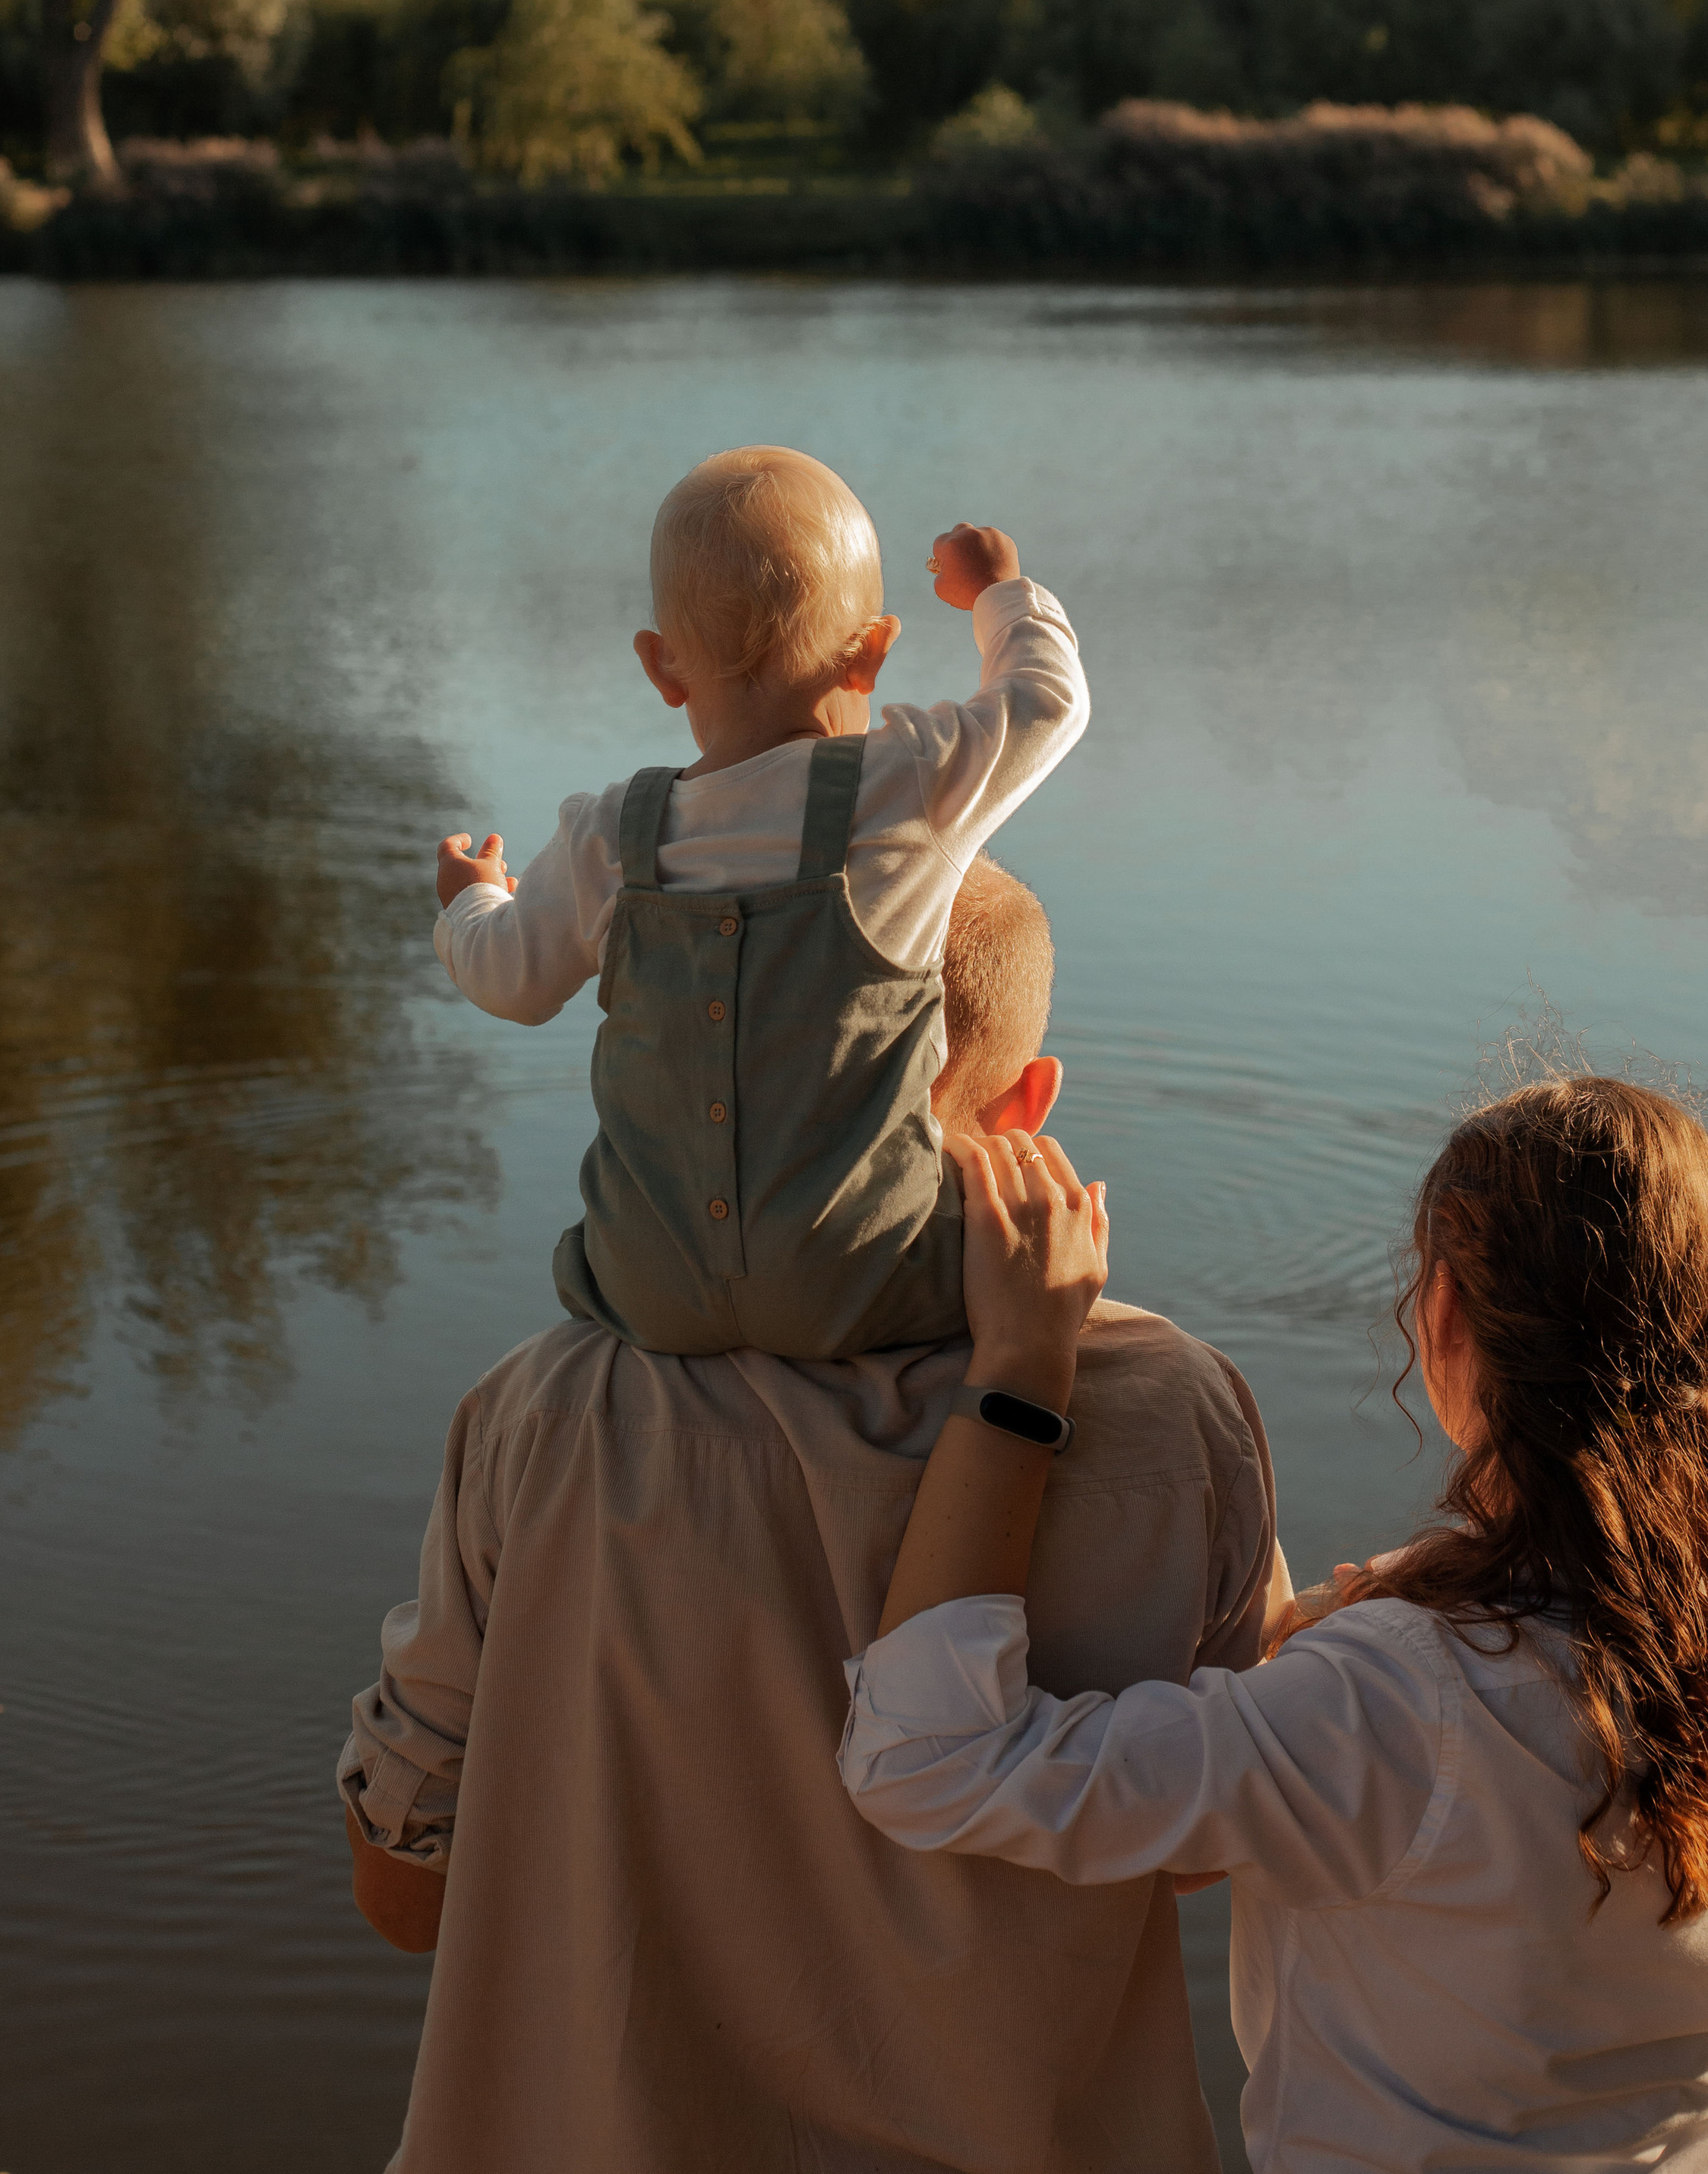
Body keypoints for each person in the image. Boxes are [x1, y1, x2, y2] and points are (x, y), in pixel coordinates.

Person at [341, 857, 1292, 2174]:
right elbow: (1211, 1853)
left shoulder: (546, 1417)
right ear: (1028, 1102)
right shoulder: (1181, 1420)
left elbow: (403, 1894)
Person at [841, 1075, 1708, 2172]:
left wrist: (1017, 1374)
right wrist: (1379, 1619)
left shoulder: (1386, 1704)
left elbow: (925, 1758)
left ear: (1442, 1313)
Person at [431, 445, 1088, 1356]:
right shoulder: (907, 788)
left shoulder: (609, 835)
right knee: (1035, 1247)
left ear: (662, 670)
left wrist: (472, 903)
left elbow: (510, 983)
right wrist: (999, 591)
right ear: (872, 657)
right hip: (866, 1282)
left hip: (648, 1291)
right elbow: (1046, 702)